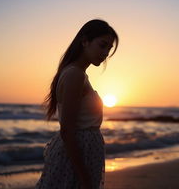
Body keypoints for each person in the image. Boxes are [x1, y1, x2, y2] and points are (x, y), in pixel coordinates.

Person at [35, 19, 119, 189]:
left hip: (82, 153)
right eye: (102, 45)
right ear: (85, 41)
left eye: (109, 49)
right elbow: (67, 130)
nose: (105, 53)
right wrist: (84, 176)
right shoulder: (75, 75)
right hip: (76, 157)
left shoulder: (77, 73)